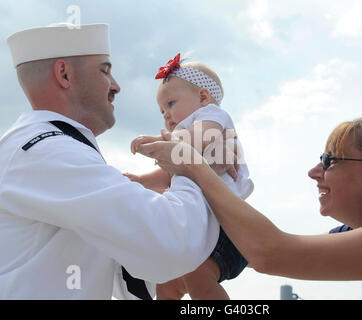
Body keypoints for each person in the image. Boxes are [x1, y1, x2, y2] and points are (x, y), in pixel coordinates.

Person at [0, 23, 233, 299]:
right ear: (64, 74)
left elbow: (122, 271)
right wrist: (195, 166)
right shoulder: (46, 149)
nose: (117, 86)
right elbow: (172, 241)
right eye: (105, 70)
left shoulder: (48, 147)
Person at [136, 114, 362, 300]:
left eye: (329, 161)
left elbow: (272, 253)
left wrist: (194, 166)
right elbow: (255, 252)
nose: (314, 172)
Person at [126, 54, 254, 299]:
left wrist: (160, 142)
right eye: (162, 110)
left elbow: (200, 140)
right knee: (165, 285)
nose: (165, 114)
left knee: (199, 279)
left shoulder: (212, 116)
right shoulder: (180, 137)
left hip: (226, 227)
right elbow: (167, 176)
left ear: (203, 98)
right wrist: (141, 181)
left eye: (171, 103)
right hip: (199, 226)